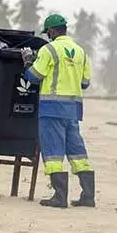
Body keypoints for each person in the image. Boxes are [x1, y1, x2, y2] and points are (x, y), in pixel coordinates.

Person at [21, 14, 95, 208]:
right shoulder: (81, 52)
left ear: (53, 31)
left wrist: (27, 61)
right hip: (72, 111)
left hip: (51, 109)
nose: (48, 36)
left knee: (53, 152)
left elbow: (34, 76)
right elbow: (85, 83)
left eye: (48, 33)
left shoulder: (49, 49)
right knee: (77, 152)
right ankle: (88, 196)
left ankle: (60, 197)